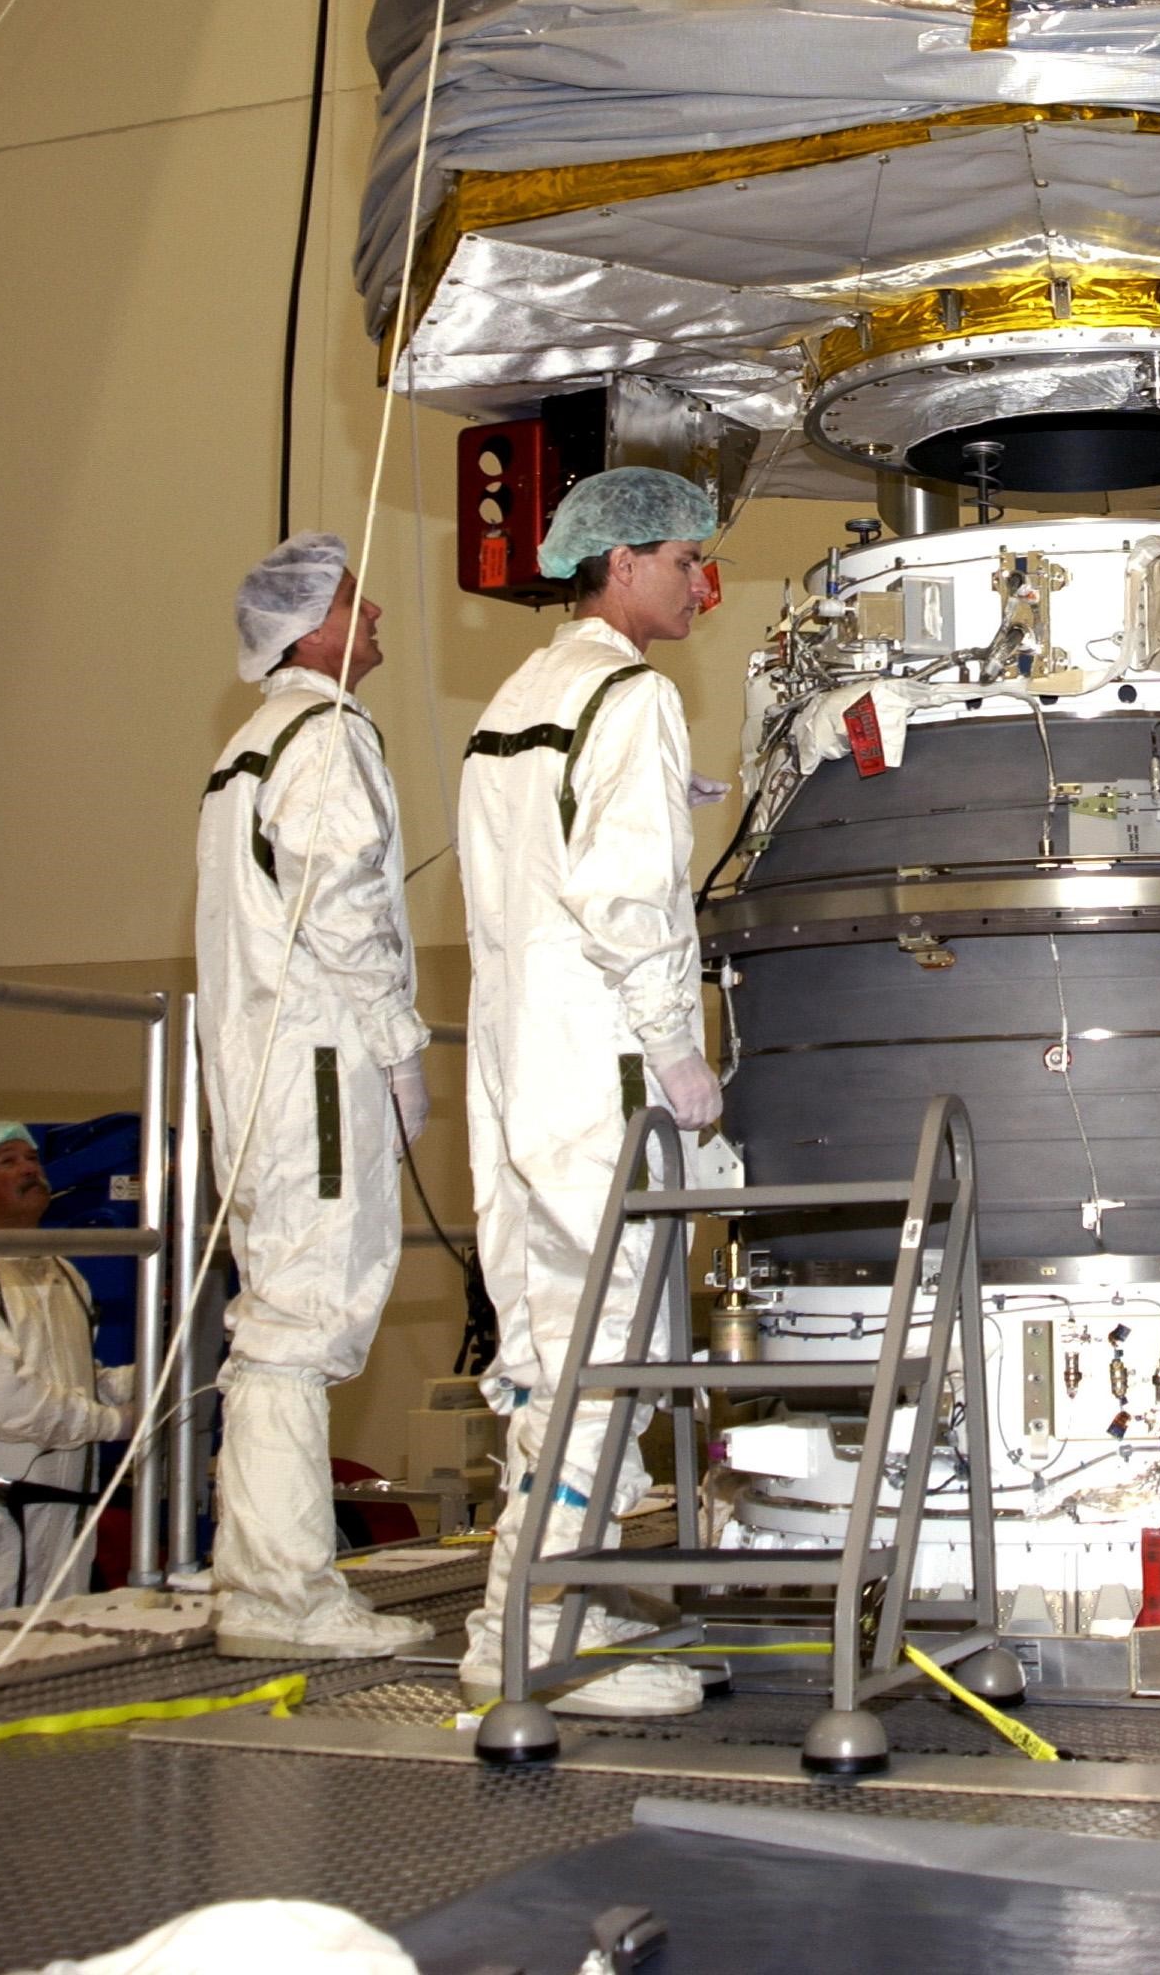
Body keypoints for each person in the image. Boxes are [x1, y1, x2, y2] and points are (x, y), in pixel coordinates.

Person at [457, 466, 732, 1710]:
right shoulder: (632, 694)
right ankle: (545, 1643)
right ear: (620, 564)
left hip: (515, 1060)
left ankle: (523, 1627)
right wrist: (681, 1052)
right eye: (683, 561)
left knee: (549, 1339)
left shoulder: (519, 696)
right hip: (603, 1054)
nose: (699, 584)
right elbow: (625, 898)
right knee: (606, 1342)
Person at [195, 534, 434, 1661]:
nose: (377, 609)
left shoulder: (249, 746)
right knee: (304, 1324)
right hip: (318, 1066)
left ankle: (261, 1581)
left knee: (276, 1322)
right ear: (309, 629)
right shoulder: (325, 732)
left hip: (260, 1075)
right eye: (354, 599)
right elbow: (339, 900)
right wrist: (396, 1048)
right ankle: (283, 1594)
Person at [0, 1123, 133, 1615]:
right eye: (8, 1161)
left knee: (51, 1658)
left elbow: (83, 1378)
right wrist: (118, 1423)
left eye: (33, 1160)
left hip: (62, 1520)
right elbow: (4, 1401)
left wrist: (163, 1374)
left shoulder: (63, 1271)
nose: (29, 1169)